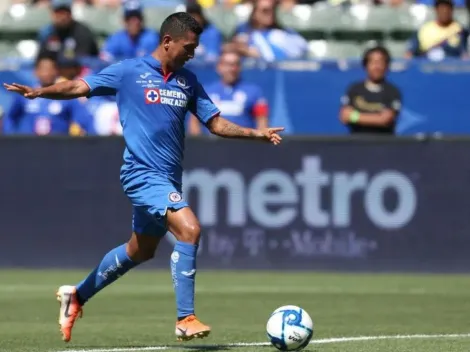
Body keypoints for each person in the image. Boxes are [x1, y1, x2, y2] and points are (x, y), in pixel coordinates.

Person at [4, 12, 283, 343]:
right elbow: (81, 85)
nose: (193, 54)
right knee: (190, 230)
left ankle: (76, 296)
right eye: (189, 47)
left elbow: (216, 123)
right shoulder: (128, 72)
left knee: (141, 250)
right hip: (141, 174)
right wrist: (42, 92)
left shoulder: (188, 81)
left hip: (168, 179)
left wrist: (256, 133)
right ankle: (185, 318)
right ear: (168, 42)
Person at [3, 54, 95, 136]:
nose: (46, 73)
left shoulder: (66, 96)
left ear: (57, 71)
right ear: (35, 72)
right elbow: (10, 118)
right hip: (28, 147)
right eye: (43, 69)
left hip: (57, 148)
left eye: (50, 69)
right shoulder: (25, 94)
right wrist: (11, 138)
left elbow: (84, 121)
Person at [189, 50, 268, 135]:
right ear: (219, 67)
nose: (232, 69)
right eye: (227, 64)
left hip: (243, 143)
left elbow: (262, 121)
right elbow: (194, 121)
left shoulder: (254, 91)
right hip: (212, 145)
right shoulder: (206, 91)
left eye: (235, 64)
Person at [339, 46, 402, 135]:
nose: (376, 67)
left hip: (384, 145)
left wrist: (355, 116)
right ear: (366, 65)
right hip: (357, 145)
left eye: (380, 62)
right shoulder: (354, 89)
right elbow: (344, 116)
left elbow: (385, 119)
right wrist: (376, 117)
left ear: (387, 66)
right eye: (372, 62)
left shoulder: (392, 91)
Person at [228, 0, 307, 62]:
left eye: (272, 9)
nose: (270, 14)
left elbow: (299, 51)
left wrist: (259, 54)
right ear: (254, 12)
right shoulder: (242, 30)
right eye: (265, 11)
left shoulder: (283, 33)